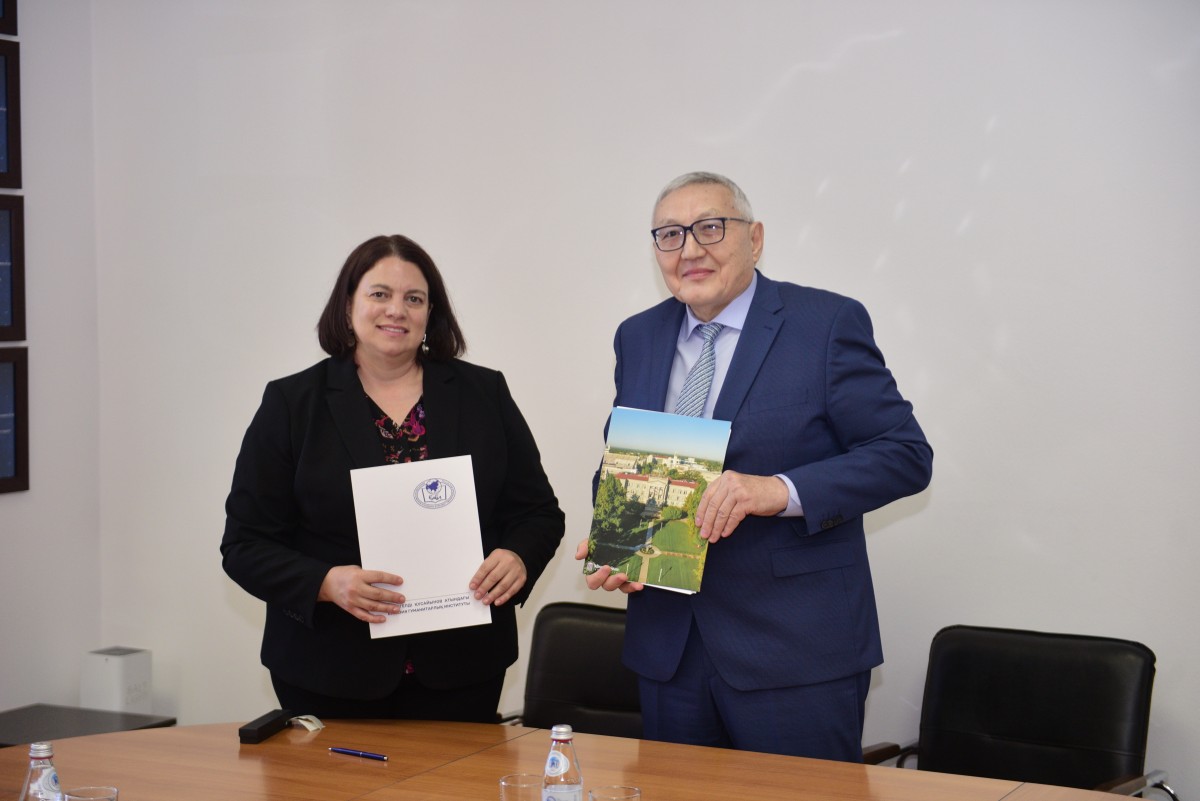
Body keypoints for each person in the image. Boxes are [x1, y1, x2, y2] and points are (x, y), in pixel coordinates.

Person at [576, 172, 933, 761]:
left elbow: (905, 455)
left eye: (710, 228)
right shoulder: (637, 336)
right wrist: (617, 535)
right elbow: (622, 459)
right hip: (669, 650)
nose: (690, 249)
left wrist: (778, 490)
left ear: (755, 238)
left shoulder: (824, 324)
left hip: (794, 653)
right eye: (670, 235)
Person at [223, 234, 564, 721]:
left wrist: (518, 556)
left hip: (463, 669)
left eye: (414, 299)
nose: (396, 310)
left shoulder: (484, 392)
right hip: (329, 669)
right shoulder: (292, 404)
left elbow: (538, 513)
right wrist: (326, 582)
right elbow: (245, 544)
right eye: (379, 294)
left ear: (430, 313)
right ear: (348, 306)